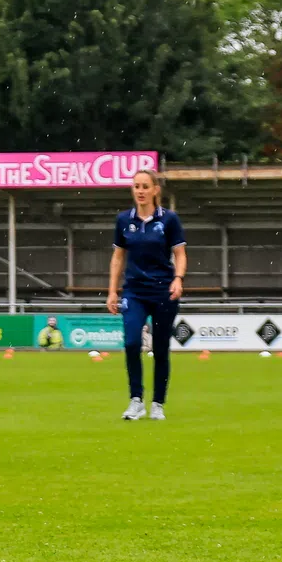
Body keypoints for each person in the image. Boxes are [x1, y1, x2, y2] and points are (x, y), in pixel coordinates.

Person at [106, 170, 186, 421]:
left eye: (145, 186)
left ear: (155, 190)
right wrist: (112, 291)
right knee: (131, 343)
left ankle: (158, 403)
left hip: (163, 291)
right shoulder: (123, 220)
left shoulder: (169, 220)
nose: (140, 191)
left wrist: (178, 278)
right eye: (136, 186)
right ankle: (136, 400)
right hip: (134, 291)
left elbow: (180, 254)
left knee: (160, 349)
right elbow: (118, 257)